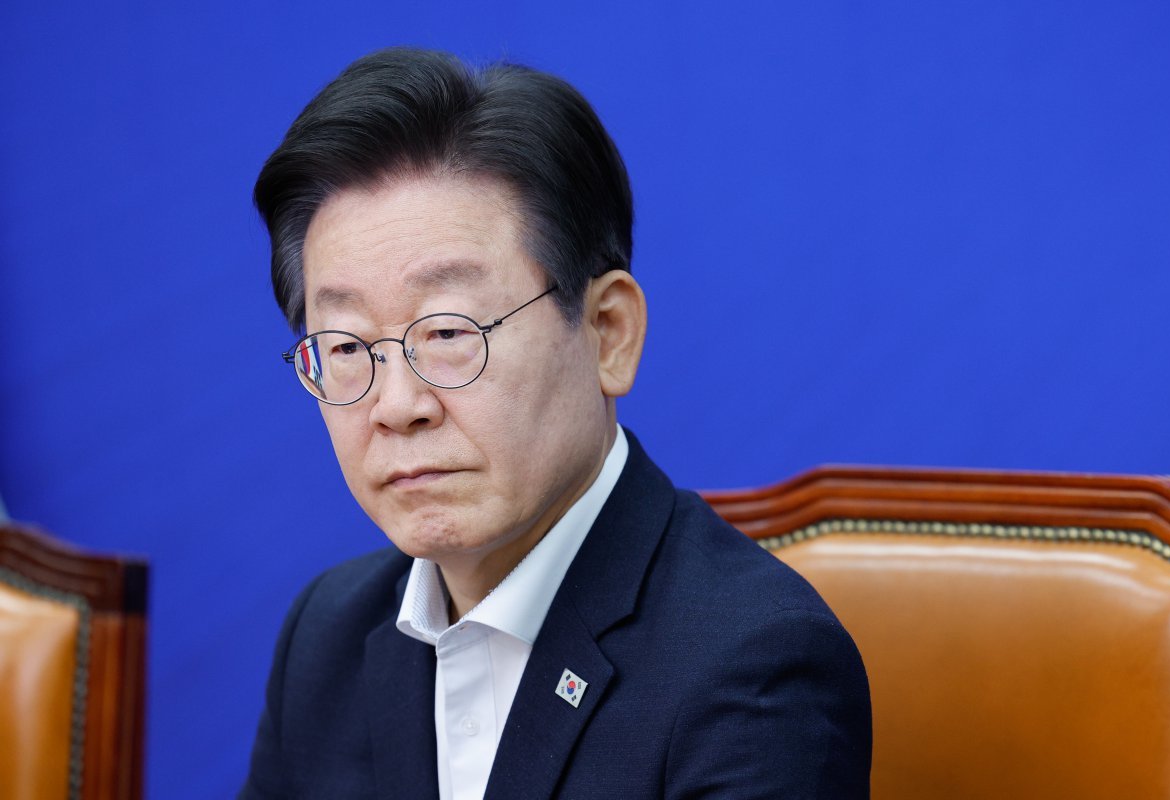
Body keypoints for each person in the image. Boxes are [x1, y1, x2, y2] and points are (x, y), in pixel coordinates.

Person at [240, 47, 871, 800]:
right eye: (346, 347)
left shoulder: (755, 667)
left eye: (449, 331)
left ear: (608, 333)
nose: (398, 405)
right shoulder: (326, 636)